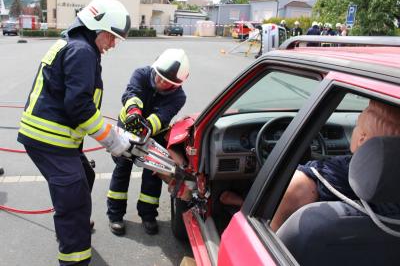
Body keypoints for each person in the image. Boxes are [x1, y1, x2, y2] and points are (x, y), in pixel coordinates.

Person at [17, 0, 132, 266]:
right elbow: (79, 107)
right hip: (50, 139)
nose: (113, 43)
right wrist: (112, 140)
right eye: (111, 36)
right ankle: (75, 256)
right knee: (74, 201)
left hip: (50, 135)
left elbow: (76, 102)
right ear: (97, 27)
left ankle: (75, 221)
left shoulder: (75, 44)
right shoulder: (81, 51)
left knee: (86, 174)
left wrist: (108, 130)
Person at [219, 100, 400, 231]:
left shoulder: (328, 174)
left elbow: (295, 189)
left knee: (273, 189)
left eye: (357, 125)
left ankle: (251, 206)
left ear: (361, 139)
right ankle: (247, 202)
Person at [107, 48, 189, 236]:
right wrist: (134, 112)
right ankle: (115, 215)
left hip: (154, 134)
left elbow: (163, 115)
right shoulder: (141, 74)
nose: (160, 83)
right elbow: (131, 93)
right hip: (127, 128)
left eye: (167, 83)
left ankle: (148, 215)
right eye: (159, 77)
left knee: (152, 176)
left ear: (176, 85)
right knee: (122, 170)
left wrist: (146, 127)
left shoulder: (179, 96)